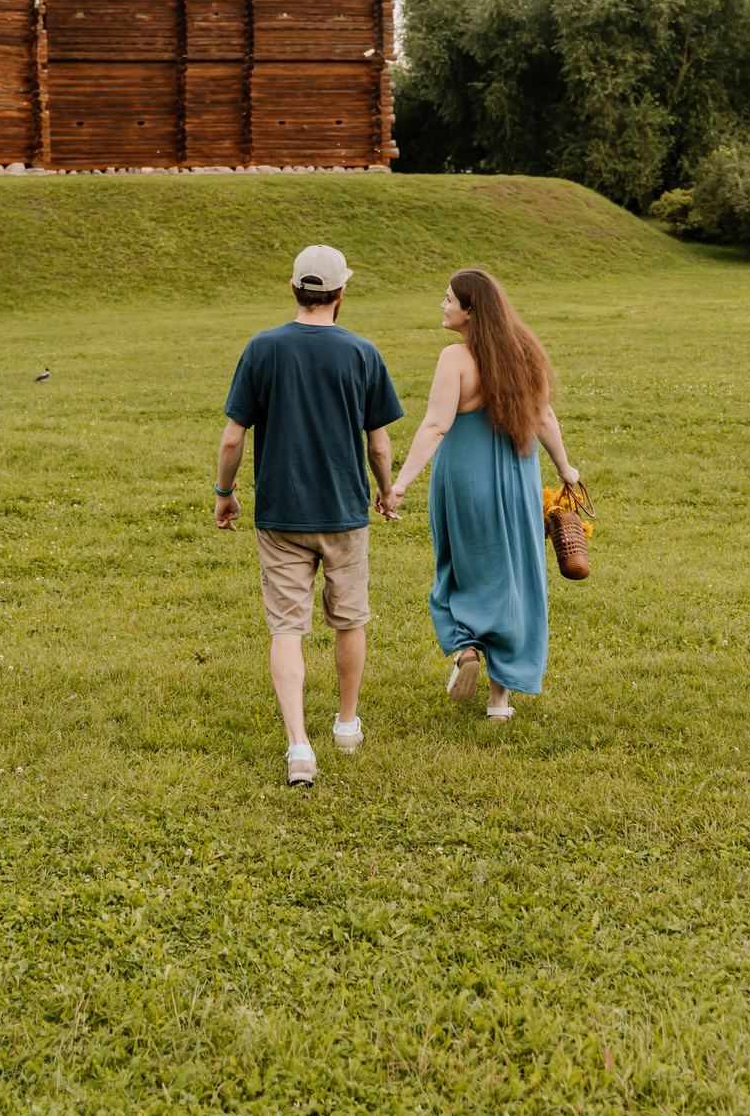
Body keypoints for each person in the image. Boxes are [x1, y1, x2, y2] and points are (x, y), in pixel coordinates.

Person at [215, 244, 404, 787]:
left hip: (280, 513)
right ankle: (346, 724)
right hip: (345, 512)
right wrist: (386, 492)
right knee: (350, 619)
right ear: (343, 292)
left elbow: (233, 436)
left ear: (293, 288)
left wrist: (224, 492)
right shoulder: (362, 352)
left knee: (287, 628)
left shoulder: (262, 348)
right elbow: (380, 444)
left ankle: (299, 747)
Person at [386, 268, 579, 722]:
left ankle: (467, 647)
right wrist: (565, 467)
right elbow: (545, 416)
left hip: (464, 480)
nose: (443, 305)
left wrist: (399, 484)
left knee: (457, 569)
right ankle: (499, 701)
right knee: (511, 578)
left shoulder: (455, 358)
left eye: (449, 299)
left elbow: (436, 425)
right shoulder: (526, 351)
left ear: (470, 310)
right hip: (518, 479)